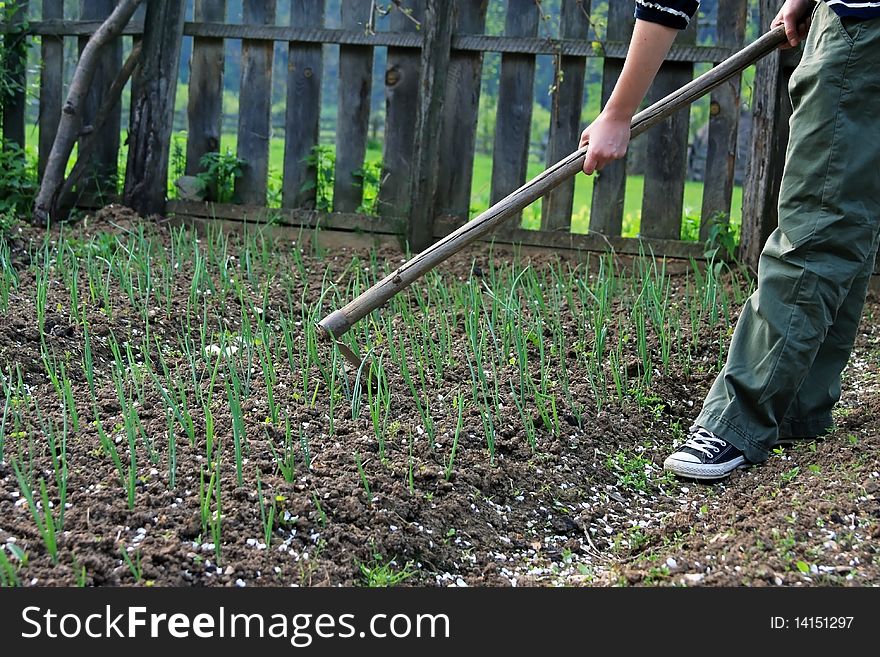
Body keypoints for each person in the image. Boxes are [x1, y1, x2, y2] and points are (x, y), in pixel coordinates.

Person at [580, 0, 880, 480]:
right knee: (848, 209)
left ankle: (737, 421)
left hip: (865, 33)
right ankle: (797, 403)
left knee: (818, 222)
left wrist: (618, 112)